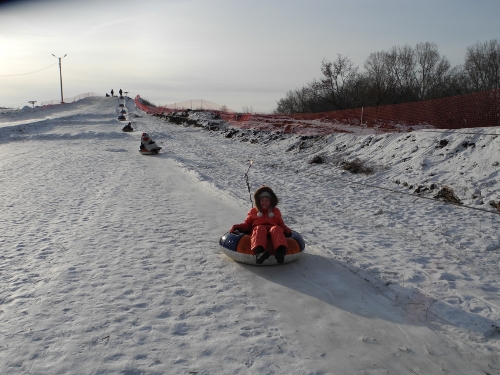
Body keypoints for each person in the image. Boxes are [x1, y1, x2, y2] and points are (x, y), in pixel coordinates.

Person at [230, 185, 292, 264]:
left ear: (271, 201)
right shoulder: (253, 211)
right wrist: (238, 227)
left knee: (276, 228)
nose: (264, 202)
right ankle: (259, 252)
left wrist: (287, 230)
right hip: (259, 232)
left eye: (267, 200)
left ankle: (280, 252)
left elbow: (281, 224)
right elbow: (247, 224)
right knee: (259, 228)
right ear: (258, 201)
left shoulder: (275, 211)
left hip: (272, 232)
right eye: (262, 200)